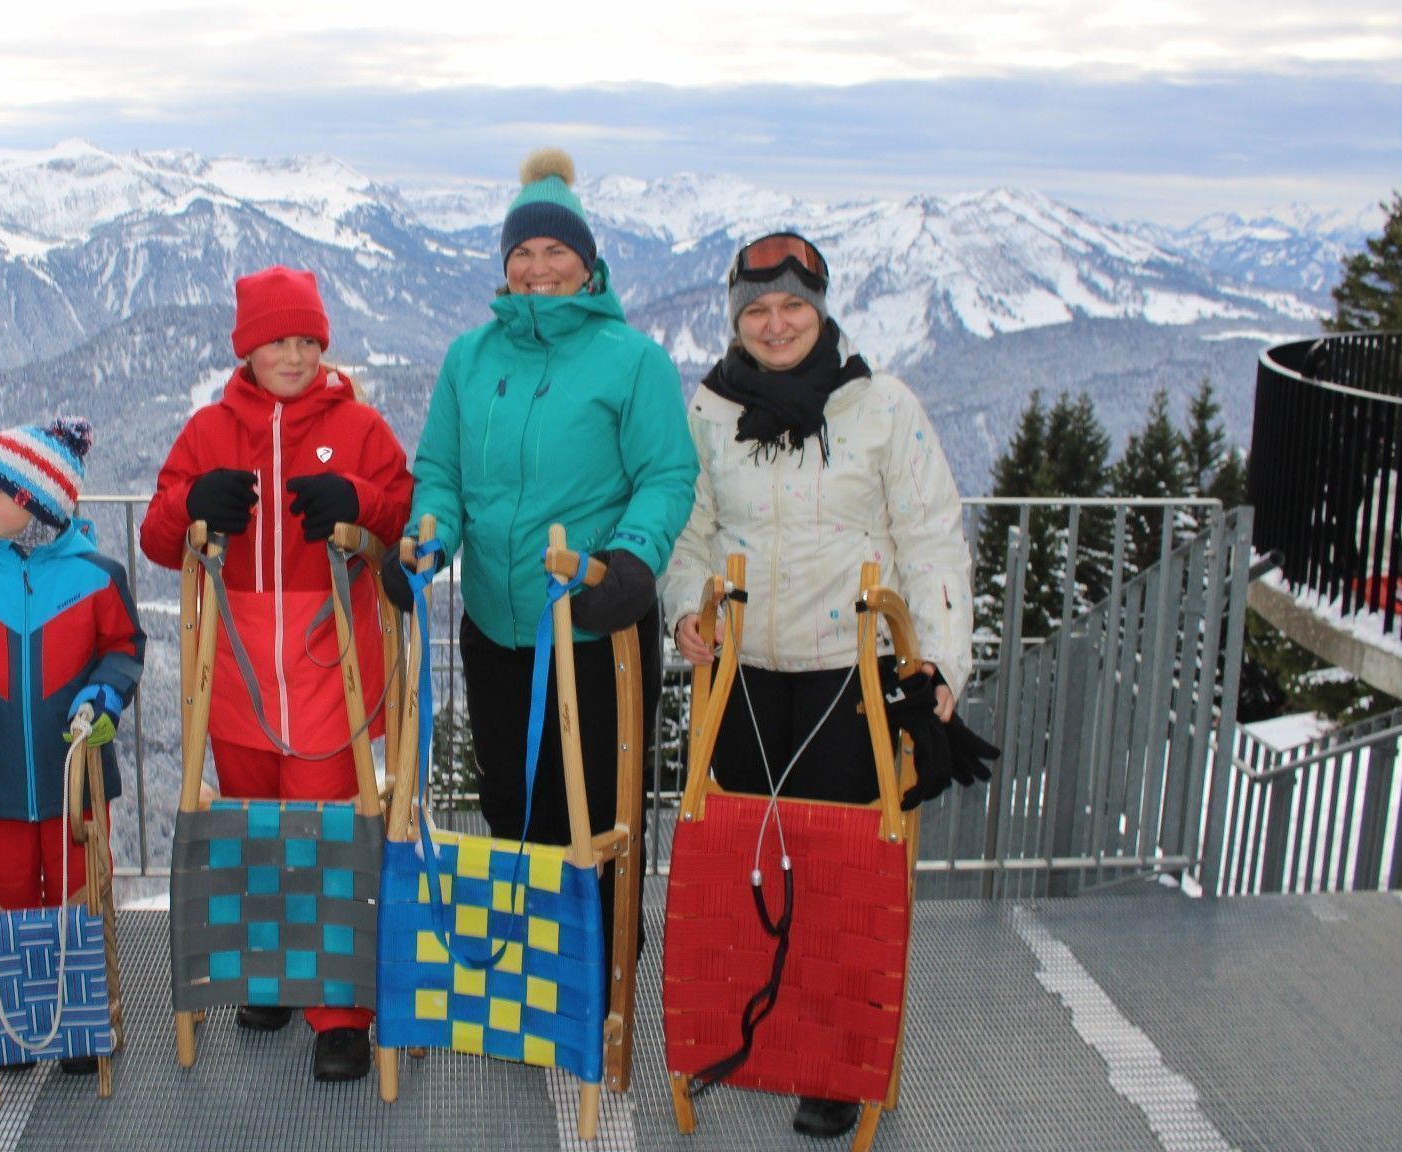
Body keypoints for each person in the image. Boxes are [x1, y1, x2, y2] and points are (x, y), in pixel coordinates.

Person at [661, 231, 991, 1139]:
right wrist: (686, 608)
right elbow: (690, 532)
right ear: (737, 319)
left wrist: (940, 665)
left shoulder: (882, 407)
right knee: (752, 860)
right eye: (757, 310)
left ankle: (833, 1061)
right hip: (747, 675)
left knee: (843, 875)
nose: (776, 324)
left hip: (853, 674)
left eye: (793, 306)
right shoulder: (711, 412)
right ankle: (754, 1023)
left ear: (823, 308)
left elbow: (930, 536)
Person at [382, 148, 698, 978]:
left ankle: (601, 965)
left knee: (595, 801)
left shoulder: (633, 360)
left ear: (588, 262)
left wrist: (631, 560)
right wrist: (428, 539)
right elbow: (441, 474)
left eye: (556, 251)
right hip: (497, 621)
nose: (537, 266)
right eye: (522, 252)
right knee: (510, 799)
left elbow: (667, 475)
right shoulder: (470, 357)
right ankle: (530, 954)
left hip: (594, 622)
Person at [139, 265, 412, 1083]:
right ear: (246, 348)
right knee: (256, 835)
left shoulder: (360, 424)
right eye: (275, 340)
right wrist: (192, 506)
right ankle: (271, 976)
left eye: (306, 340)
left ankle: (339, 1012)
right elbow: (158, 537)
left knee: (331, 841)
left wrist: (357, 498)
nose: (292, 355)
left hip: (330, 668)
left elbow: (400, 513)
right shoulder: (208, 430)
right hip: (236, 674)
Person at [0, 417, 146, 1076]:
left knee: (77, 894)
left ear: (38, 503)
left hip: (73, 775)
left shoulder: (97, 577)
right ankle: (15, 1026)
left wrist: (103, 696)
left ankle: (79, 1025)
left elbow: (123, 649)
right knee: (8, 895)